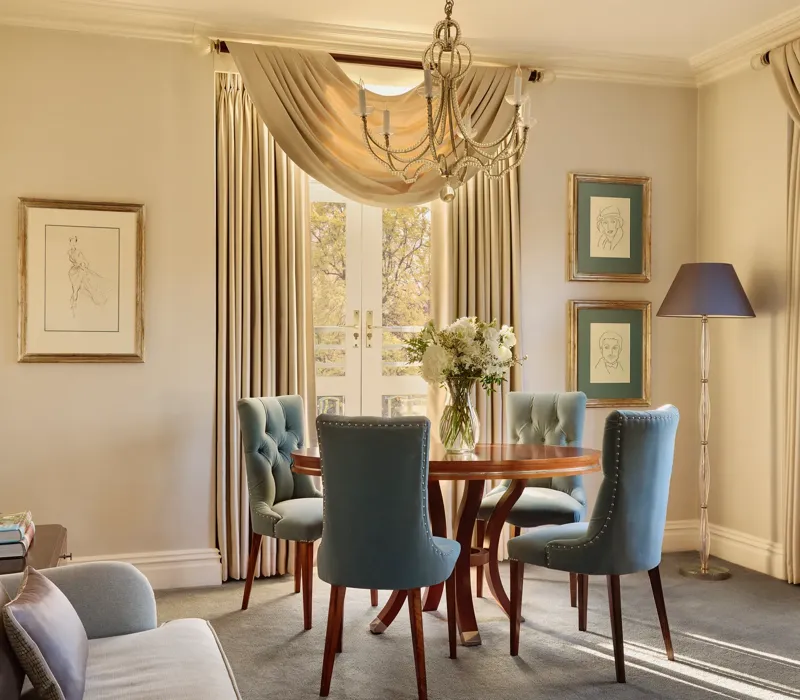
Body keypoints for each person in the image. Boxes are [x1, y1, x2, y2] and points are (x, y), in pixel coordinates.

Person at [68, 236, 107, 316]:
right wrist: (78, 264)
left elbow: (84, 261)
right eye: (71, 242)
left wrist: (83, 264)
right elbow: (74, 261)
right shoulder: (69, 252)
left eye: (74, 242)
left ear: (76, 243)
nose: (73, 243)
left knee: (87, 286)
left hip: (80, 271)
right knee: (76, 288)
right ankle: (73, 305)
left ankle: (98, 299)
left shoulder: (78, 252)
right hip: (73, 272)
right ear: (70, 242)